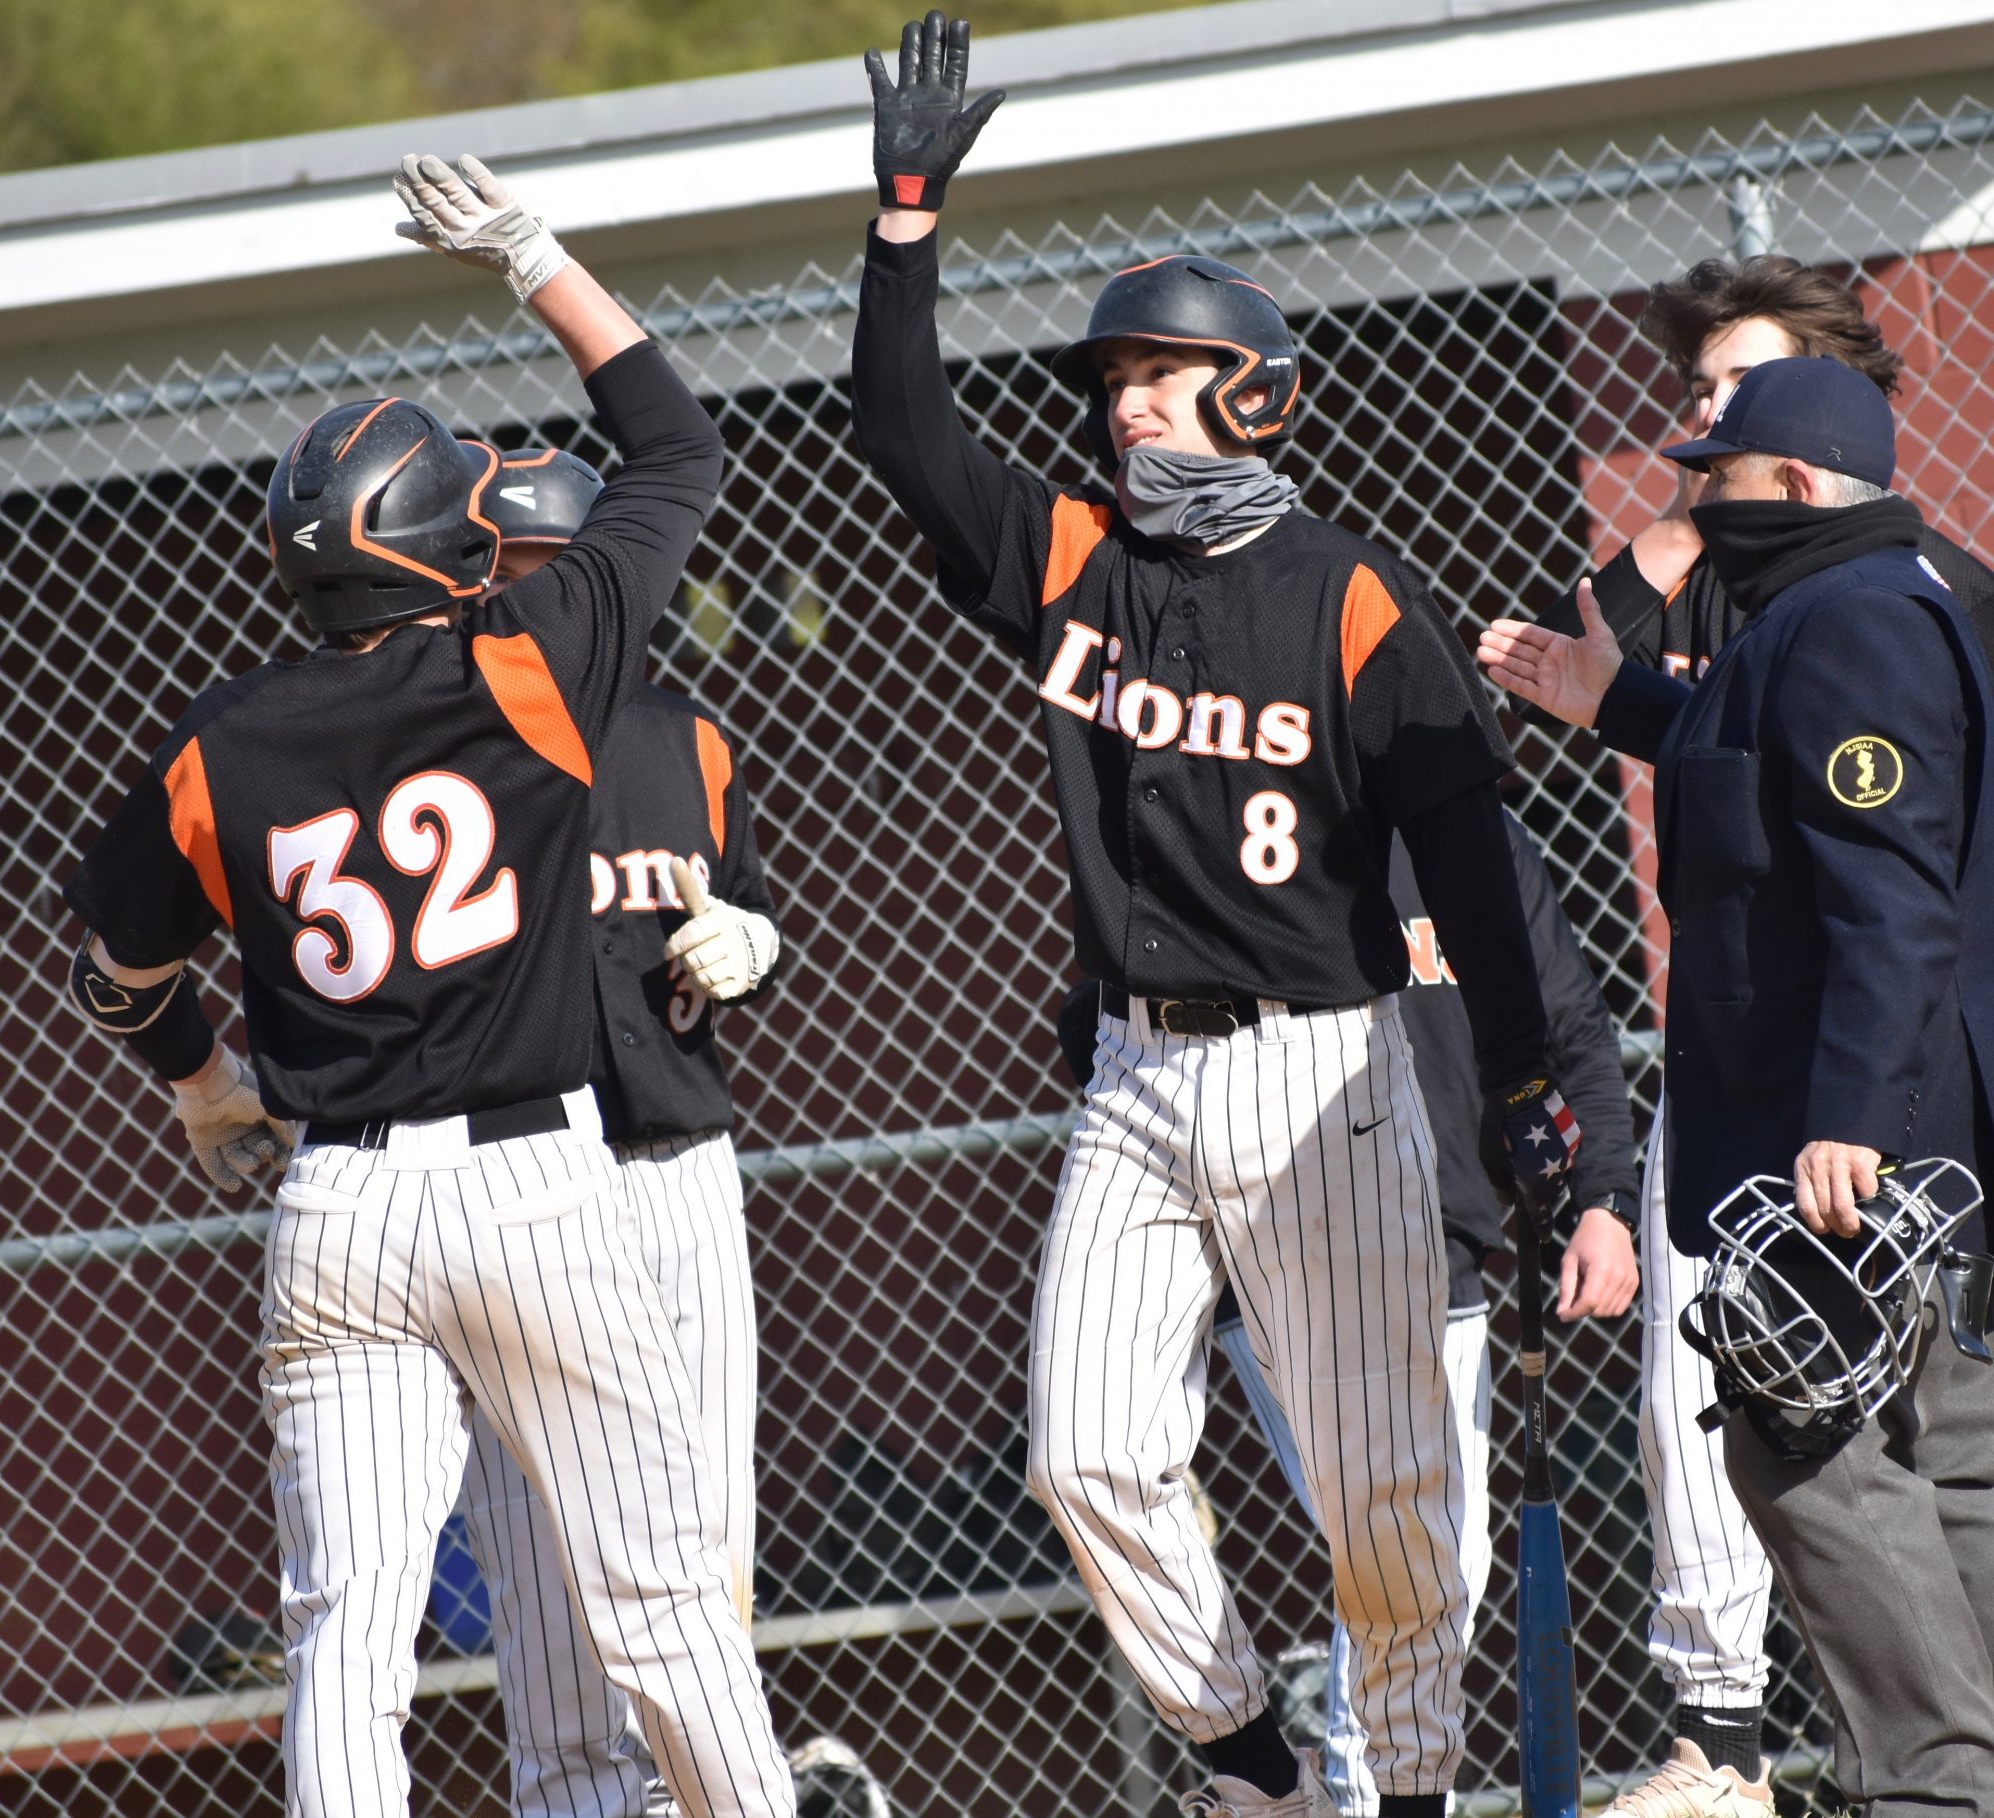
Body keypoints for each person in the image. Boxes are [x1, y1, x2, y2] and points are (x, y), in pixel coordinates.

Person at [852, 17, 1581, 1815]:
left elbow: (1477, 865)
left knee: (1385, 1495)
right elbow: (898, 427)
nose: (1129, 403)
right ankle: (1249, 1757)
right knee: (1083, 1453)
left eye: (1169, 377)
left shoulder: (1341, 595)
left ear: (1256, 393)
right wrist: (903, 217)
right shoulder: (1075, 558)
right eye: (1117, 378)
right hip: (1133, 1074)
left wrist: (1526, 1097)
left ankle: (1403, 1788)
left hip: (1323, 1083)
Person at [62, 152, 796, 1818]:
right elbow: (679, 446)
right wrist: (531, 252)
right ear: (438, 541)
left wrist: (200, 1082)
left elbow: (122, 958)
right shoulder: (524, 672)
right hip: (540, 1183)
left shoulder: (219, 737)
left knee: (342, 1634)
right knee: (666, 1601)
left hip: (337, 1207)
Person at [1479, 354, 1994, 1813]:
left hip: (1856, 1133)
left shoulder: (1854, 621)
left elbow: (1891, 900)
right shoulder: (1850, 609)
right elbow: (1768, 777)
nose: (1696, 501)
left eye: (1716, 478)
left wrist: (1845, 1113)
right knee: (1947, 1448)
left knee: (1803, 1441)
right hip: (1913, 1125)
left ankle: (1940, 1783)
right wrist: (1620, 701)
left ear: (1789, 485)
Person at [1059, 805, 1642, 1816]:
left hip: (1436, 1245)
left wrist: (1600, 1199)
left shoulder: (1471, 834)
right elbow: (1097, 1016)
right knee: (1394, 1558)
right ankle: (1312, 1782)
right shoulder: (1246, 821)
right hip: (1264, 1256)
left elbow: (1568, 1023)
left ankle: (1342, 1793)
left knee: (1402, 1564)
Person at [417, 445, 786, 1818]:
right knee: (545, 1572)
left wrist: (749, 940)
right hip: (523, 1180)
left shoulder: (683, 735)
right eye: (495, 578)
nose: (518, 604)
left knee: (703, 1548)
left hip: (681, 1171)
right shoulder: (444, 754)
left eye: (544, 576)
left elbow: (746, 906)